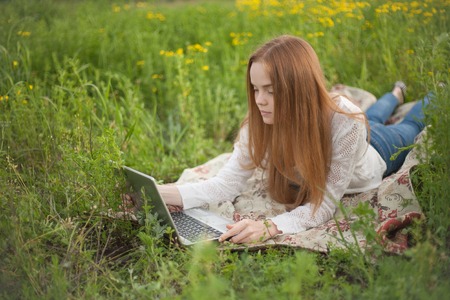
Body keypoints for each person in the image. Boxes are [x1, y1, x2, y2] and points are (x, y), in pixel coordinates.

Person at [153, 35, 429, 244]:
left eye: (271, 91)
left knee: (410, 124)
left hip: (377, 151)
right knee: (377, 114)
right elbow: (225, 184)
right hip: (359, 132)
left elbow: (325, 204)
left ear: (299, 88)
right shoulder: (260, 122)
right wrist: (155, 192)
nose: (260, 101)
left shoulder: (345, 118)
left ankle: (432, 90)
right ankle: (395, 92)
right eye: (256, 89)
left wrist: (269, 227)